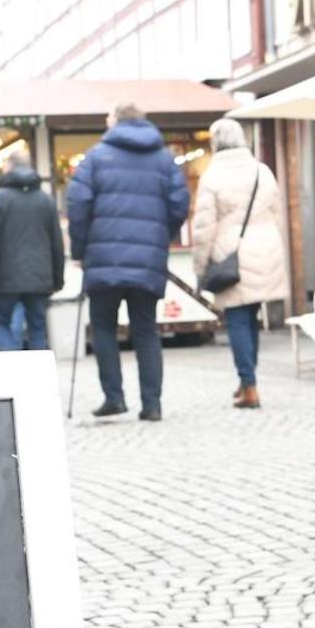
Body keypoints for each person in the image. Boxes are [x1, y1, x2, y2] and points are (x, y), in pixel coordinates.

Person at [68, 102, 189, 421]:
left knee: (104, 328)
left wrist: (79, 249)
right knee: (146, 330)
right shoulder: (164, 160)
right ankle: (152, 404)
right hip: (147, 259)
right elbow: (180, 204)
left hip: (103, 258)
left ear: (115, 122)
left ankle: (114, 397)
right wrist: (161, 238)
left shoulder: (96, 157)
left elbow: (78, 205)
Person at [191, 118, 288, 409]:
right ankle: (248, 380)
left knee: (236, 319)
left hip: (230, 250)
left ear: (216, 141)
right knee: (251, 317)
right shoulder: (262, 171)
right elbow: (278, 212)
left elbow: (204, 227)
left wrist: (200, 264)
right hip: (267, 246)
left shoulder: (213, 176)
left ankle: (249, 385)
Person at [0, 149, 64, 350]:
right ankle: (39, 376)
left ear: (9, 167)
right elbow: (56, 243)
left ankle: (15, 366)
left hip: (6, 278)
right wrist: (57, 279)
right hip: (40, 276)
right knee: (38, 328)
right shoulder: (46, 200)